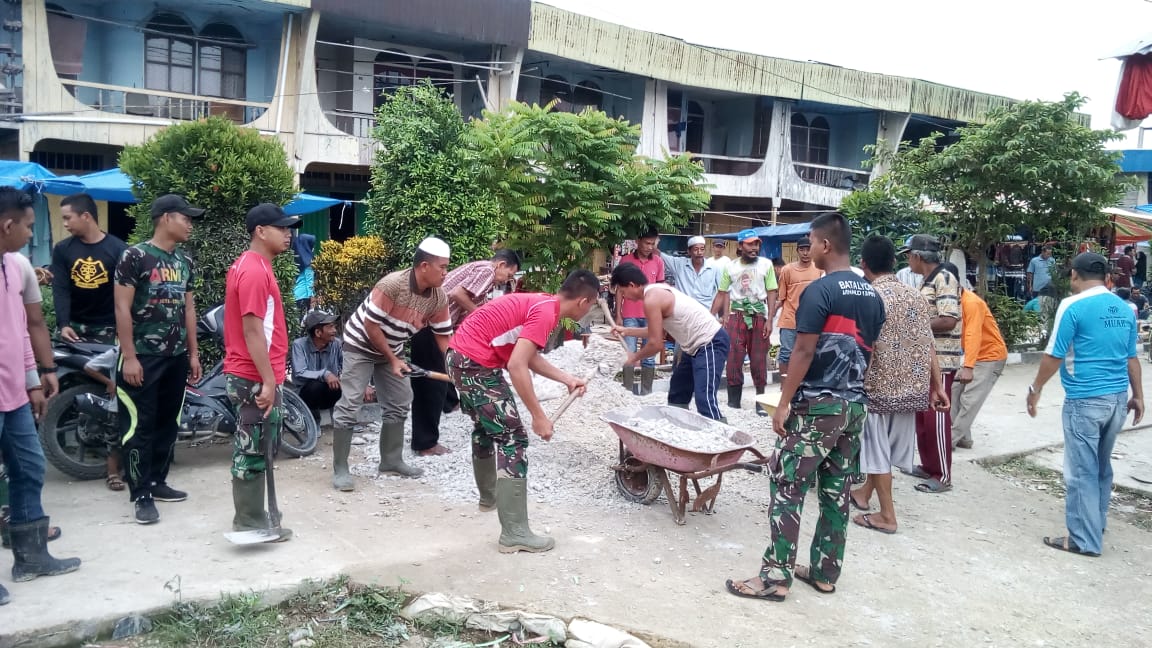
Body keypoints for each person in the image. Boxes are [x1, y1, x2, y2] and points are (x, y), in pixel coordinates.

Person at [724, 212, 884, 601]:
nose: (808, 249)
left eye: (811, 241)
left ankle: (775, 578)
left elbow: (804, 349)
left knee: (787, 485)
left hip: (818, 406)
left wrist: (783, 403)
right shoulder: (873, 295)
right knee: (836, 490)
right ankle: (826, 573)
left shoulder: (821, 290)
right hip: (853, 407)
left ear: (825, 245)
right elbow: (871, 352)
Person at [446, 270, 598, 553]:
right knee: (513, 437)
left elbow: (529, 357)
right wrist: (538, 416)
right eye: (592, 305)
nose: (589, 311)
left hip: (461, 358)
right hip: (474, 364)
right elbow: (517, 365)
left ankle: (490, 497)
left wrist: (566, 378)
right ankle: (514, 532)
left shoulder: (542, 304)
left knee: (486, 427)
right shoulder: (545, 313)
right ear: (583, 301)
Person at [1026, 252, 1144, 557]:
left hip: (1085, 400)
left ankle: (1082, 539)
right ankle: (1096, 523)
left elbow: (1054, 355)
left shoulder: (1072, 305)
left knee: (1081, 471)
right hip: (1118, 399)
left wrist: (1035, 388)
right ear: (1105, 276)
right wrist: (1139, 395)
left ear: (1075, 276)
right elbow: (1132, 357)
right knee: (1101, 466)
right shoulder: (1124, 307)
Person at [0, 187, 81, 606]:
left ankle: (31, 557)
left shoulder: (14, 267)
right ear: (8, 224)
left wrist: (36, 375)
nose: (34, 234)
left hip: (12, 394)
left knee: (30, 468)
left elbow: (25, 327)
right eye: (30, 226)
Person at [330, 238, 453, 491]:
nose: (445, 273)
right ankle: (340, 468)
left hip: (392, 348)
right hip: (360, 344)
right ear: (424, 266)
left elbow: (443, 336)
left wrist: (453, 366)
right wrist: (393, 359)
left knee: (399, 400)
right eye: (442, 267)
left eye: (447, 267)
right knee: (351, 401)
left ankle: (391, 460)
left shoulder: (438, 297)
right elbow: (370, 325)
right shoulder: (392, 285)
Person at [114, 194, 203, 525]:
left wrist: (193, 354)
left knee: (168, 423)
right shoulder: (134, 256)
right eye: (186, 217)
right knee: (140, 426)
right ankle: (140, 494)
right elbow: (122, 307)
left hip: (176, 356)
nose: (190, 223)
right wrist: (130, 356)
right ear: (166, 218)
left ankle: (157, 481)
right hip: (143, 358)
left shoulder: (184, 262)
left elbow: (189, 308)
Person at [851, 235, 948, 535]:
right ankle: (864, 493)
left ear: (863, 264)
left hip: (879, 386)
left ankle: (887, 515)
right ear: (894, 262)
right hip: (912, 387)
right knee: (885, 449)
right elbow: (928, 342)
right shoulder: (915, 295)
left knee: (876, 450)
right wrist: (937, 385)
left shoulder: (868, 297)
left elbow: (862, 345)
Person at [223, 203, 302, 542]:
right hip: (254, 375)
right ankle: (250, 522)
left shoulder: (252, 265)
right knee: (252, 448)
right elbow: (253, 330)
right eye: (281, 228)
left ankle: (260, 516)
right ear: (260, 231)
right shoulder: (254, 270)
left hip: (255, 372)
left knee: (258, 445)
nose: (288, 234)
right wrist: (268, 379)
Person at [410, 249, 520, 456]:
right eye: (509, 274)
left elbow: (463, 312)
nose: (506, 280)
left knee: (447, 364)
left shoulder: (481, 275)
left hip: (438, 327)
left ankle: (450, 402)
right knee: (429, 385)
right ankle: (425, 443)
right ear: (501, 265)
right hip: (429, 326)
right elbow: (457, 294)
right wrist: (482, 315)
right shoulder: (487, 270)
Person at [610, 262, 729, 421]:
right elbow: (656, 331)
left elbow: (656, 343)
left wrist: (634, 357)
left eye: (622, 291)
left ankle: (722, 440)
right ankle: (679, 428)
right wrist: (627, 330)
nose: (623, 296)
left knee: (704, 398)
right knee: (677, 393)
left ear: (631, 285)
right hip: (693, 347)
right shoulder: (655, 292)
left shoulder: (651, 299)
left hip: (710, 342)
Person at [901, 234, 962, 494]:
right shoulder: (929, 280)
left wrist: (915, 327)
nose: (907, 260)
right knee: (923, 416)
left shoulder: (944, 278)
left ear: (917, 256)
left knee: (936, 416)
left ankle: (942, 474)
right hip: (925, 358)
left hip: (942, 359)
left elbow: (949, 319)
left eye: (908, 255)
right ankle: (928, 465)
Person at [937, 263, 1008, 451]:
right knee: (953, 392)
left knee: (969, 399)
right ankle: (963, 438)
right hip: (974, 355)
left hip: (989, 357)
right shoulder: (953, 301)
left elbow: (973, 335)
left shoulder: (971, 303)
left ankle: (948, 440)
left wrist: (968, 367)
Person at [711, 229, 777, 412]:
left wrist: (770, 319)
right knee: (733, 359)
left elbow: (772, 292)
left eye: (756, 244)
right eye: (749, 244)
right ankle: (734, 402)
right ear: (740, 246)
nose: (754, 247)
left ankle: (761, 403)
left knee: (758, 360)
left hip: (758, 315)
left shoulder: (766, 264)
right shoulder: (731, 267)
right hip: (737, 315)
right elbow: (722, 293)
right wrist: (710, 317)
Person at [50, 193, 127, 345]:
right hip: (72, 327)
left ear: (85, 216)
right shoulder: (62, 249)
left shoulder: (119, 250)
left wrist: (123, 329)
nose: (65, 224)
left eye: (68, 218)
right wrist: (63, 324)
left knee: (102, 369)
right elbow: (60, 289)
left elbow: (125, 296)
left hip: (107, 329)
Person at [615, 229, 665, 395]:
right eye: (647, 243)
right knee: (628, 352)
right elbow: (620, 290)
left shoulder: (658, 261)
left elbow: (660, 288)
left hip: (651, 315)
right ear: (638, 241)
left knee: (649, 356)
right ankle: (628, 392)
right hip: (630, 313)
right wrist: (618, 314)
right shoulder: (626, 260)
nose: (650, 247)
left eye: (653, 244)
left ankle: (646, 393)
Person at [774, 237, 822, 378]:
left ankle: (807, 388)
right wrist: (769, 318)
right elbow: (781, 297)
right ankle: (784, 387)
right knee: (786, 354)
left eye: (808, 249)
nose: (805, 253)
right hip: (790, 319)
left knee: (811, 354)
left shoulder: (819, 270)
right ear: (797, 251)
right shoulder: (787, 270)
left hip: (812, 320)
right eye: (802, 249)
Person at [290, 310, 344, 424]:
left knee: (346, 385)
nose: (335, 330)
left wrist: (363, 385)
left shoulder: (336, 344)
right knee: (314, 386)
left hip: (330, 391)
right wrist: (325, 374)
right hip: (306, 394)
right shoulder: (299, 345)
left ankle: (340, 421)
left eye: (334, 327)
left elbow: (345, 366)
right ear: (318, 332)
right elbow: (300, 372)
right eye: (330, 327)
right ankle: (314, 423)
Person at [660, 236, 720, 310]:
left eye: (702, 249)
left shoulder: (713, 268)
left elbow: (722, 293)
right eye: (696, 249)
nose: (699, 252)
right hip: (684, 313)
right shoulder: (679, 265)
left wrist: (714, 313)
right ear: (689, 251)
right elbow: (660, 255)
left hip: (705, 313)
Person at [292, 232, 317, 315]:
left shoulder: (296, 259)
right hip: (304, 296)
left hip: (295, 295)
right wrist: (312, 297)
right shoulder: (308, 262)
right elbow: (309, 281)